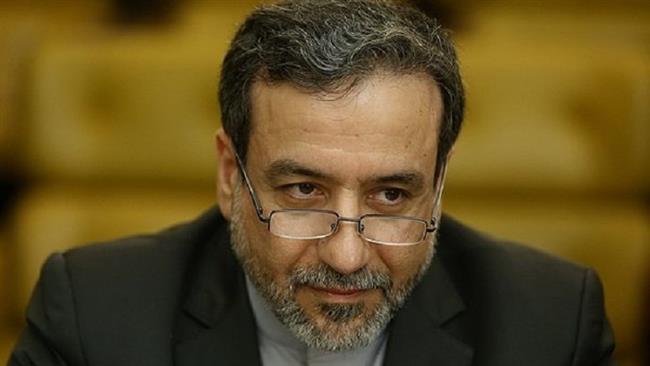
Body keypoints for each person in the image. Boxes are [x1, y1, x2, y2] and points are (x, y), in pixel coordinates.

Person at [9, 1, 616, 365]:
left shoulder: (550, 325)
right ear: (229, 176)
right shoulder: (92, 316)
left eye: (392, 196)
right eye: (303, 191)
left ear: (439, 187)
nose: (347, 256)